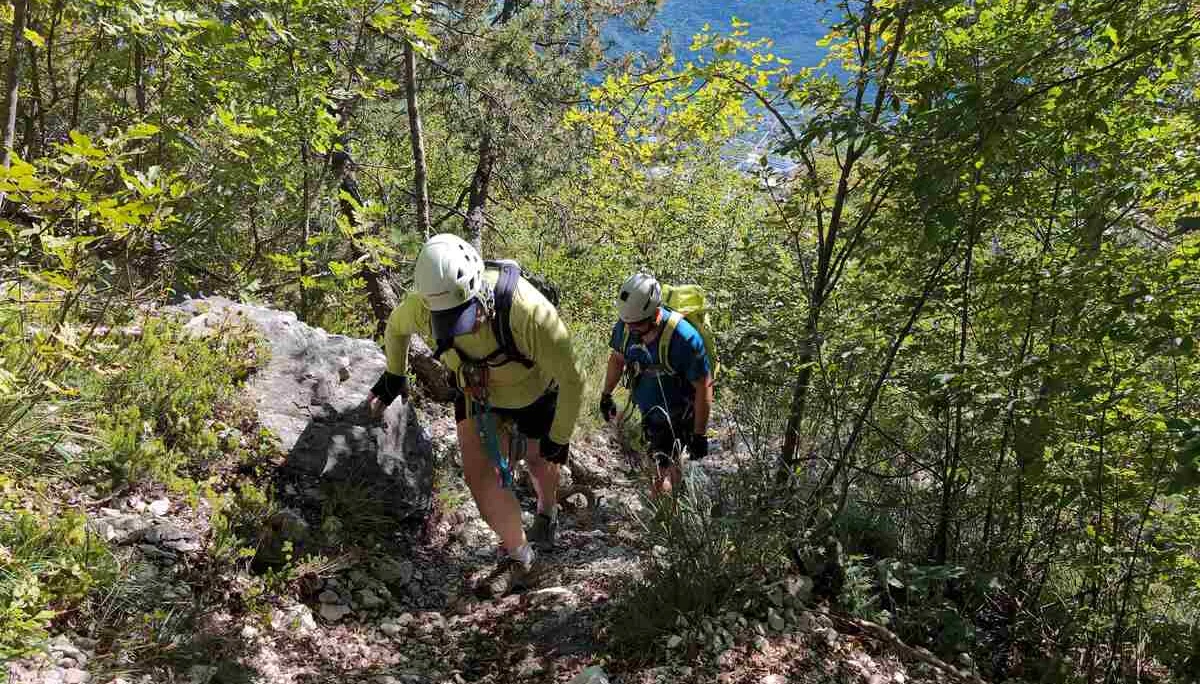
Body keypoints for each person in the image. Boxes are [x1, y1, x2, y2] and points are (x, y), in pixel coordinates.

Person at [367, 233, 583, 597]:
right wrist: (394, 373)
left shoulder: (529, 312)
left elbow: (573, 379)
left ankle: (546, 512)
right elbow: (396, 328)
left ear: (480, 292)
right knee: (479, 475)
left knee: (538, 459)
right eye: (448, 322)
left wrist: (559, 438)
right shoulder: (422, 306)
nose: (462, 328)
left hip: (535, 390)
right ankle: (522, 557)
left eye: (466, 317)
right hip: (477, 392)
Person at [599, 272, 714, 496]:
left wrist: (700, 434)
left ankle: (666, 519)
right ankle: (673, 510)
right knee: (661, 472)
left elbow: (704, 385)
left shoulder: (684, 339)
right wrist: (606, 395)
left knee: (661, 477)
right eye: (627, 323)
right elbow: (618, 358)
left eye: (637, 324)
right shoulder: (626, 327)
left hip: (679, 413)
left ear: (655, 314)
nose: (631, 329)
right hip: (650, 413)